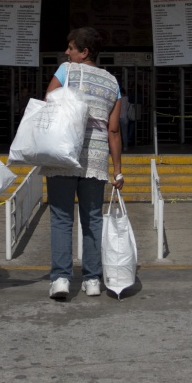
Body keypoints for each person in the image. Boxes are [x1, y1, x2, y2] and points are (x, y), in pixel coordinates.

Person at [42, 27, 123, 300]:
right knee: (92, 220)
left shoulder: (67, 70)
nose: (67, 52)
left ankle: (62, 279)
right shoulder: (112, 82)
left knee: (62, 218)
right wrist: (118, 170)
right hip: (96, 158)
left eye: (71, 47)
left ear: (84, 51)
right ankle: (92, 280)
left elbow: (48, 102)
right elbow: (113, 130)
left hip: (64, 153)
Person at [119, 87, 130, 152]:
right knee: (124, 133)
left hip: (118, 118)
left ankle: (119, 146)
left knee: (118, 134)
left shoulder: (118, 99)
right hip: (125, 118)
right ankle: (125, 147)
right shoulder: (126, 98)